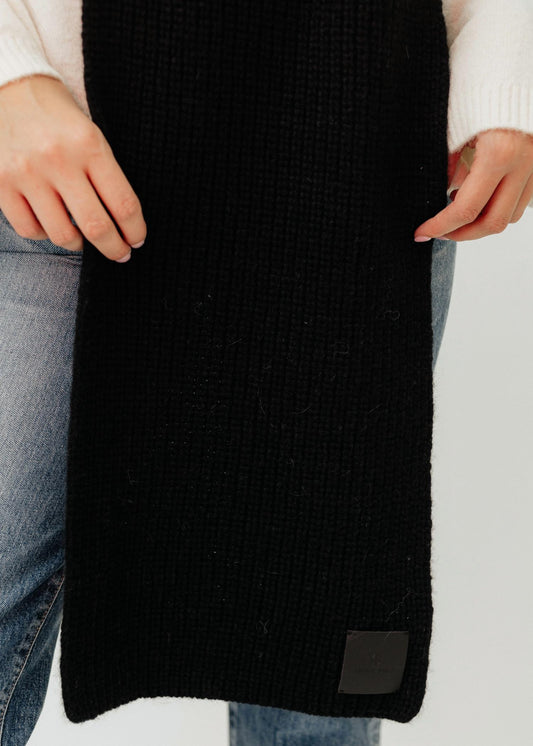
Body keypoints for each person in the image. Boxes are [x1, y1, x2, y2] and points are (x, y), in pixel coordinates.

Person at [0, 1, 532, 744]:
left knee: (318, 658)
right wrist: (9, 77)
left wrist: (506, 72)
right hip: (68, 166)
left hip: (367, 151)